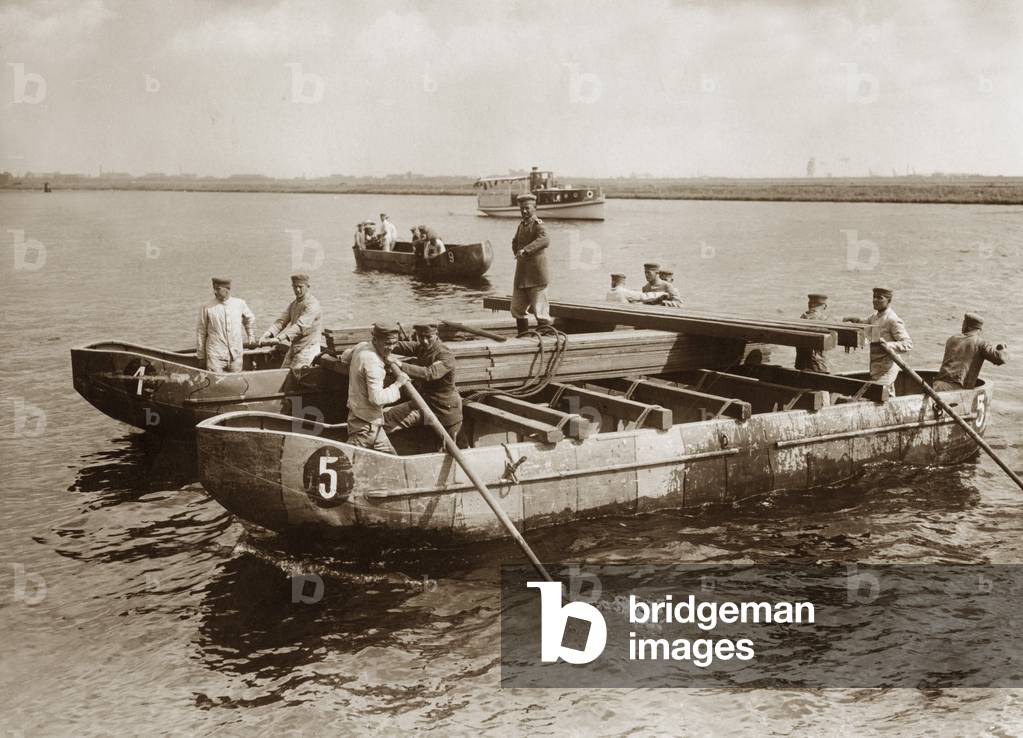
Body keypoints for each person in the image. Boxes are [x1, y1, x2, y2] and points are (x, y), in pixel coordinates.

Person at [384, 322, 463, 448]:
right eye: (421, 337)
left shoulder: (444, 354)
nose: (424, 341)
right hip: (423, 403)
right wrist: (383, 343)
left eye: (428, 337)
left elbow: (430, 373)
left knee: (445, 448)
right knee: (386, 419)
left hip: (443, 410)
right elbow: (400, 346)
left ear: (436, 335)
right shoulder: (421, 347)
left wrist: (401, 365)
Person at [339, 322, 411, 454]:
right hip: (366, 426)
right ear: (375, 339)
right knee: (347, 461)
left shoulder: (361, 347)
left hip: (363, 419)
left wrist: (384, 356)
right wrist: (398, 384)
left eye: (395, 343)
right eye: (388, 343)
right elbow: (377, 399)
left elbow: (344, 357)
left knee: (392, 460)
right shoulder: (374, 363)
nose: (392, 348)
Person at [843, 287, 912, 392]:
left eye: (880, 298)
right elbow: (865, 322)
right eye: (874, 297)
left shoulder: (892, 319)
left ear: (889, 301)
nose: (875, 300)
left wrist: (887, 345)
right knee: (886, 395)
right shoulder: (875, 316)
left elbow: (908, 344)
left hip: (887, 368)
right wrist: (853, 319)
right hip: (876, 367)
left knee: (878, 393)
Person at [259, 273, 323, 369]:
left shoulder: (313, 305)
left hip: (308, 348)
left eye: (300, 287)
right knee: (282, 373)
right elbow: (281, 321)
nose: (297, 290)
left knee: (292, 379)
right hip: (295, 347)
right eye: (295, 287)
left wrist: (279, 339)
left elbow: (300, 327)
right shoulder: (294, 304)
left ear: (308, 287)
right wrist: (267, 334)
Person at [932, 313, 1008, 391]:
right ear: (979, 329)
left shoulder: (952, 339)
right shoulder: (981, 343)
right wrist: (1003, 349)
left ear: (967, 326)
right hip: (956, 388)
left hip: (937, 385)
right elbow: (1000, 359)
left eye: (964, 323)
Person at [196, 277, 256, 373]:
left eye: (218, 289)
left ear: (227, 289)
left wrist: (251, 337)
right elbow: (201, 332)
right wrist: (201, 356)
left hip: (236, 354)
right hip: (215, 355)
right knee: (215, 383)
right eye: (214, 289)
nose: (214, 292)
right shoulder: (206, 307)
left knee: (236, 383)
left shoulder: (240, 304)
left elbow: (249, 320)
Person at [511, 193, 551, 336]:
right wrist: (517, 251)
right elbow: (514, 241)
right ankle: (523, 336)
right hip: (521, 276)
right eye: (522, 208)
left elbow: (545, 240)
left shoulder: (539, 225)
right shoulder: (521, 225)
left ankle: (546, 339)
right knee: (516, 308)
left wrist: (526, 250)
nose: (524, 211)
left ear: (535, 208)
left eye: (527, 208)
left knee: (540, 310)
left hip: (536, 275)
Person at [795, 293, 830, 374]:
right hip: (816, 364)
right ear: (824, 306)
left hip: (800, 363)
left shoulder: (802, 317)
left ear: (809, 304)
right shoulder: (823, 318)